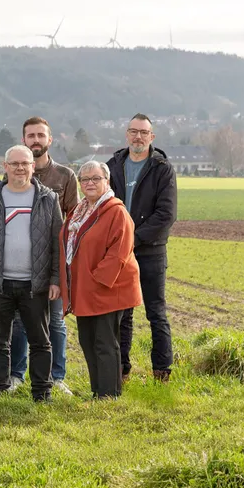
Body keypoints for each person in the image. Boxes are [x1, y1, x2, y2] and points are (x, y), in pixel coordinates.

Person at [0, 146, 63, 402]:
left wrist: (55, 279)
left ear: (33, 166)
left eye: (25, 163)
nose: (20, 168)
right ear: (5, 167)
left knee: (40, 341)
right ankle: (1, 390)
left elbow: (57, 243)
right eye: (14, 163)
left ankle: (42, 392)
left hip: (35, 285)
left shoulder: (48, 199)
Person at [7, 117, 79, 394]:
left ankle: (56, 376)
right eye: (31, 136)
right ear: (23, 140)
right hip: (20, 265)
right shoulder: (14, 173)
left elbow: (73, 220)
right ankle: (17, 375)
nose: (35, 140)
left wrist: (64, 267)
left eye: (40, 135)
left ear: (50, 140)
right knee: (19, 322)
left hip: (53, 262)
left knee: (56, 322)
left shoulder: (65, 176)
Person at [61, 161, 143, 399]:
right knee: (87, 340)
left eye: (96, 178)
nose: (90, 183)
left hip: (107, 288)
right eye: (85, 179)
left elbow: (119, 251)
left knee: (105, 342)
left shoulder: (116, 211)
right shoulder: (79, 211)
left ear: (107, 181)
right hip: (84, 288)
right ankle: (98, 391)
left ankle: (109, 394)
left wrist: (97, 280)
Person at [106, 113, 176, 382]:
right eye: (134, 131)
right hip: (120, 252)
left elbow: (166, 215)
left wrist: (133, 238)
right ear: (127, 134)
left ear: (151, 137)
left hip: (151, 251)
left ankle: (162, 370)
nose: (138, 137)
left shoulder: (162, 168)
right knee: (123, 312)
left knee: (156, 312)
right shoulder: (112, 166)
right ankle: (121, 369)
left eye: (144, 132)